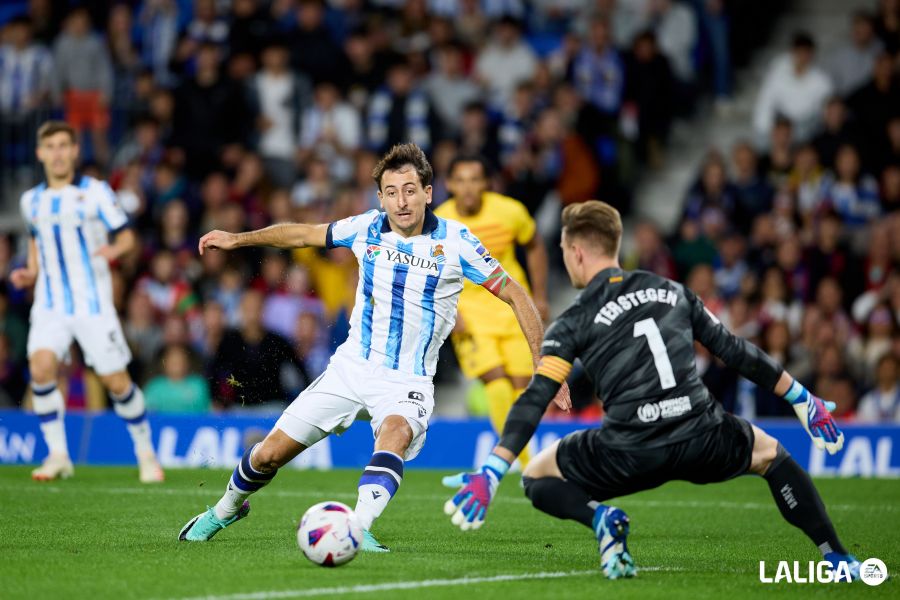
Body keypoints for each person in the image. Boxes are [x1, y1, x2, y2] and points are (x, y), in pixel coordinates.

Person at [178, 143, 569, 550]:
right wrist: (238, 239)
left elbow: (516, 295)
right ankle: (224, 510)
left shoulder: (457, 242)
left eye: (410, 190)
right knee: (268, 456)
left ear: (428, 193)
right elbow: (302, 234)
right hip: (351, 368)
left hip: (408, 379)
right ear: (380, 197)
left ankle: (358, 526)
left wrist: (544, 363)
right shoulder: (364, 227)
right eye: (392, 192)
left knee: (396, 432)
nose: (402, 201)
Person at [443, 200, 861, 580]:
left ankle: (603, 519)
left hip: (630, 450)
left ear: (577, 252)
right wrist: (802, 398)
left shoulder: (575, 320)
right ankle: (837, 558)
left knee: (537, 474)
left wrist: (495, 469)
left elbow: (537, 396)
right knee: (771, 455)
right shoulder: (673, 291)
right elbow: (736, 351)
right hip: (700, 434)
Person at [10, 121, 164, 483]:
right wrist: (32, 272)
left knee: (116, 382)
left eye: (65, 145)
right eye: (51, 147)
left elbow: (127, 237)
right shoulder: (30, 200)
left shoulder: (94, 192)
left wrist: (114, 249)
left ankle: (146, 454)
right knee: (41, 368)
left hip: (92, 304)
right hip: (49, 303)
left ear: (75, 151)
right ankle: (58, 455)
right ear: (40, 153)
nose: (58, 153)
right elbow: (36, 239)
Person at [434, 155, 549, 467]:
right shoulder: (440, 222)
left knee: (522, 390)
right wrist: (450, 312)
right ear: (450, 184)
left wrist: (539, 295)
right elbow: (434, 272)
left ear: (486, 183)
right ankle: (526, 465)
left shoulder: (509, 212)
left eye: (475, 179)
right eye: (461, 180)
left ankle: (520, 459)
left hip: (513, 310)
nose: (468, 187)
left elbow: (535, 244)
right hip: (470, 316)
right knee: (496, 384)